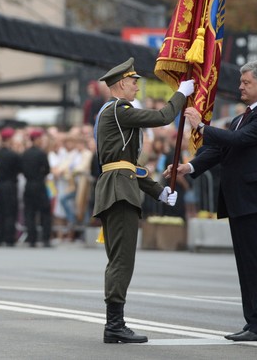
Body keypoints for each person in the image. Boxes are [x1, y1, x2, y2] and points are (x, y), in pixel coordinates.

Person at [166, 60, 257, 342]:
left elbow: (238, 140)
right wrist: (190, 167)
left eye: (246, 82)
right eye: (241, 82)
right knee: (246, 265)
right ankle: (252, 322)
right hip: (242, 200)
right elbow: (220, 150)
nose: (240, 86)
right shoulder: (242, 117)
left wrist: (202, 127)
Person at [93, 57, 192, 343]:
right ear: (121, 83)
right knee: (122, 262)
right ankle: (114, 326)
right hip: (119, 191)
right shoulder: (119, 109)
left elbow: (129, 166)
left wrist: (158, 190)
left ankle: (115, 324)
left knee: (118, 260)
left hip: (118, 187)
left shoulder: (110, 112)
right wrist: (180, 94)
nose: (137, 86)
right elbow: (162, 118)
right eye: (134, 81)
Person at [21, 128, 51, 247]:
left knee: (29, 212)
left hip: (28, 184)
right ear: (37, 139)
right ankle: (45, 238)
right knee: (45, 212)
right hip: (39, 184)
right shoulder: (41, 153)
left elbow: (22, 169)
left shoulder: (25, 153)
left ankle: (31, 239)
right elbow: (47, 169)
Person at [0, 127, 21, 246]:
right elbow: (19, 169)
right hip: (10, 185)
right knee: (10, 212)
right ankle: (9, 238)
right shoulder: (13, 155)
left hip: (0, 184)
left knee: (0, 212)